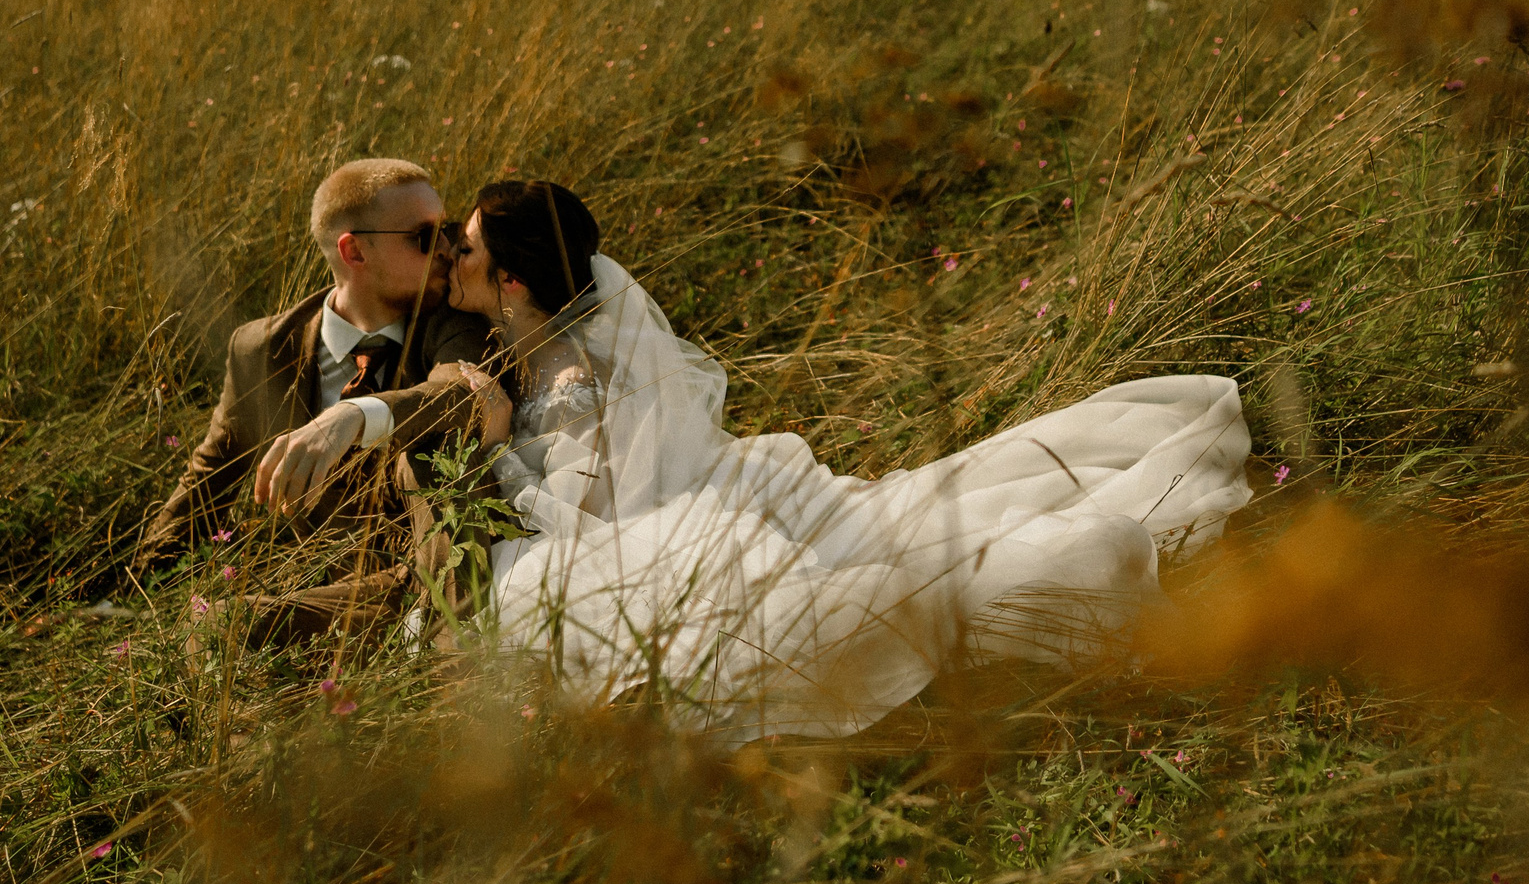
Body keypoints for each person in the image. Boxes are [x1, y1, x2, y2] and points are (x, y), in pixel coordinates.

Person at [272, 176, 1255, 739]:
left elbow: (584, 511)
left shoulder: (568, 375)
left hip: (599, 529)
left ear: (516, 280)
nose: (451, 258)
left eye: (470, 248)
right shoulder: (505, 337)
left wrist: (498, 457)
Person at [126, 157, 500, 642]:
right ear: (355, 252)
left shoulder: (452, 319)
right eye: (425, 237)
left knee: (432, 449)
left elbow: (460, 393)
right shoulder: (263, 349)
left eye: (447, 229)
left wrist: (354, 413)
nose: (448, 250)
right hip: (333, 588)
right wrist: (138, 593)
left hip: (437, 570)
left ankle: (454, 668)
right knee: (215, 624)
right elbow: (209, 478)